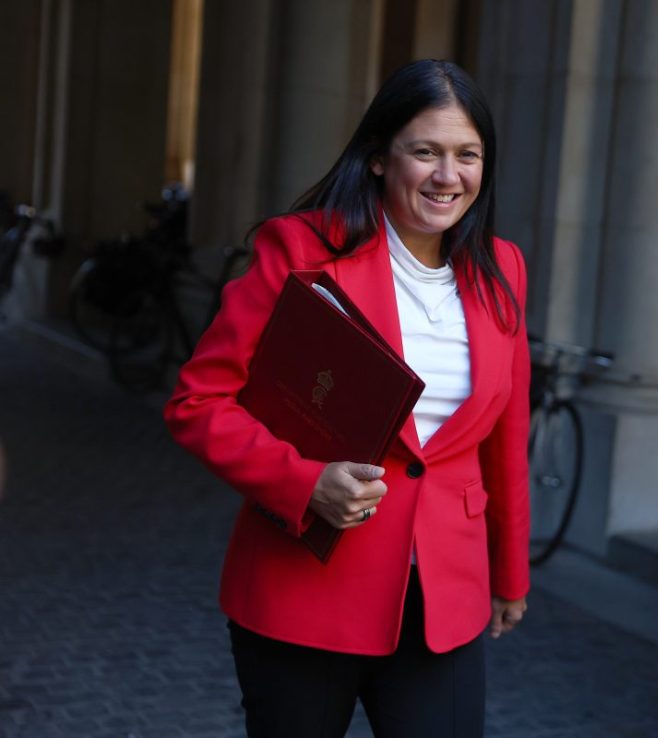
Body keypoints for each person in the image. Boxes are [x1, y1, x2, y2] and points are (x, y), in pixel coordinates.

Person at [164, 59, 530, 738]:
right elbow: (198, 402)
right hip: (305, 589)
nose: (448, 175)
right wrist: (304, 483)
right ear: (378, 158)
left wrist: (510, 572)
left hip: (443, 597)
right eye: (425, 152)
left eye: (467, 155)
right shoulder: (300, 250)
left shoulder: (501, 267)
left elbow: (505, 436)